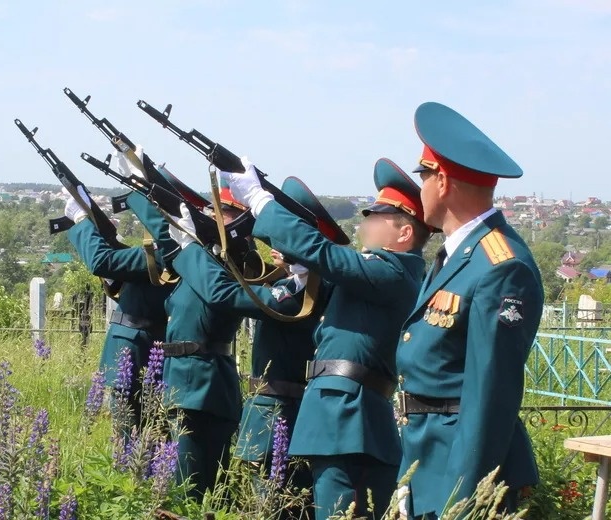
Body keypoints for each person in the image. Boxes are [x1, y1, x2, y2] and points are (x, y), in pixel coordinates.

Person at [221, 158, 432, 518]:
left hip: (349, 418)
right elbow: (323, 269)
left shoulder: (395, 272)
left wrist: (259, 201)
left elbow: (327, 255)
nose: (365, 223)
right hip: (337, 415)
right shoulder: (375, 275)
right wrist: (300, 266)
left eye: (376, 217)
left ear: (404, 233)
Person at [395, 101, 543, 518]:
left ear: (442, 182)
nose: (420, 189)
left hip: (458, 471)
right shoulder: (459, 255)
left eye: (423, 177)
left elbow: (489, 397)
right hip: (427, 455)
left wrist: (462, 500)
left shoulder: (500, 266)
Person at [170, 176, 344, 515]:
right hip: (269, 414)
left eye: (287, 233)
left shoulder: (305, 291)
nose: (276, 239)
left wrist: (190, 248)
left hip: (281, 415)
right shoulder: (295, 283)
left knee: (273, 508)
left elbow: (225, 294)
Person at [63, 186, 175, 430]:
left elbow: (101, 262)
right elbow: (122, 272)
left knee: (131, 435)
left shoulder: (164, 254)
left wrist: (82, 221)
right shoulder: (175, 252)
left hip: (134, 349)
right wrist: (109, 239)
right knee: (147, 433)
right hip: (147, 349)